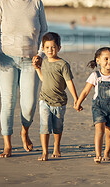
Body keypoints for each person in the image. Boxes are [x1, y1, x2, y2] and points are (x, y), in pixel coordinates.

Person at [0, 0, 48, 158]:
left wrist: (41, 54)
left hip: (31, 60)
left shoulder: (36, 3)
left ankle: (24, 131)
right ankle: (7, 145)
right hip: (5, 58)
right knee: (8, 102)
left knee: (28, 104)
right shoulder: (2, 2)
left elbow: (44, 31)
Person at [33, 32, 79, 161]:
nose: (50, 50)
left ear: (59, 48)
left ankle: (57, 146)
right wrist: (37, 69)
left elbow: (69, 82)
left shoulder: (63, 65)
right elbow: (44, 79)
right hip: (44, 99)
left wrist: (76, 99)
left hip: (59, 101)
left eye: (53, 47)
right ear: (42, 48)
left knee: (57, 127)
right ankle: (45, 152)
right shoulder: (44, 62)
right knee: (44, 126)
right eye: (47, 47)